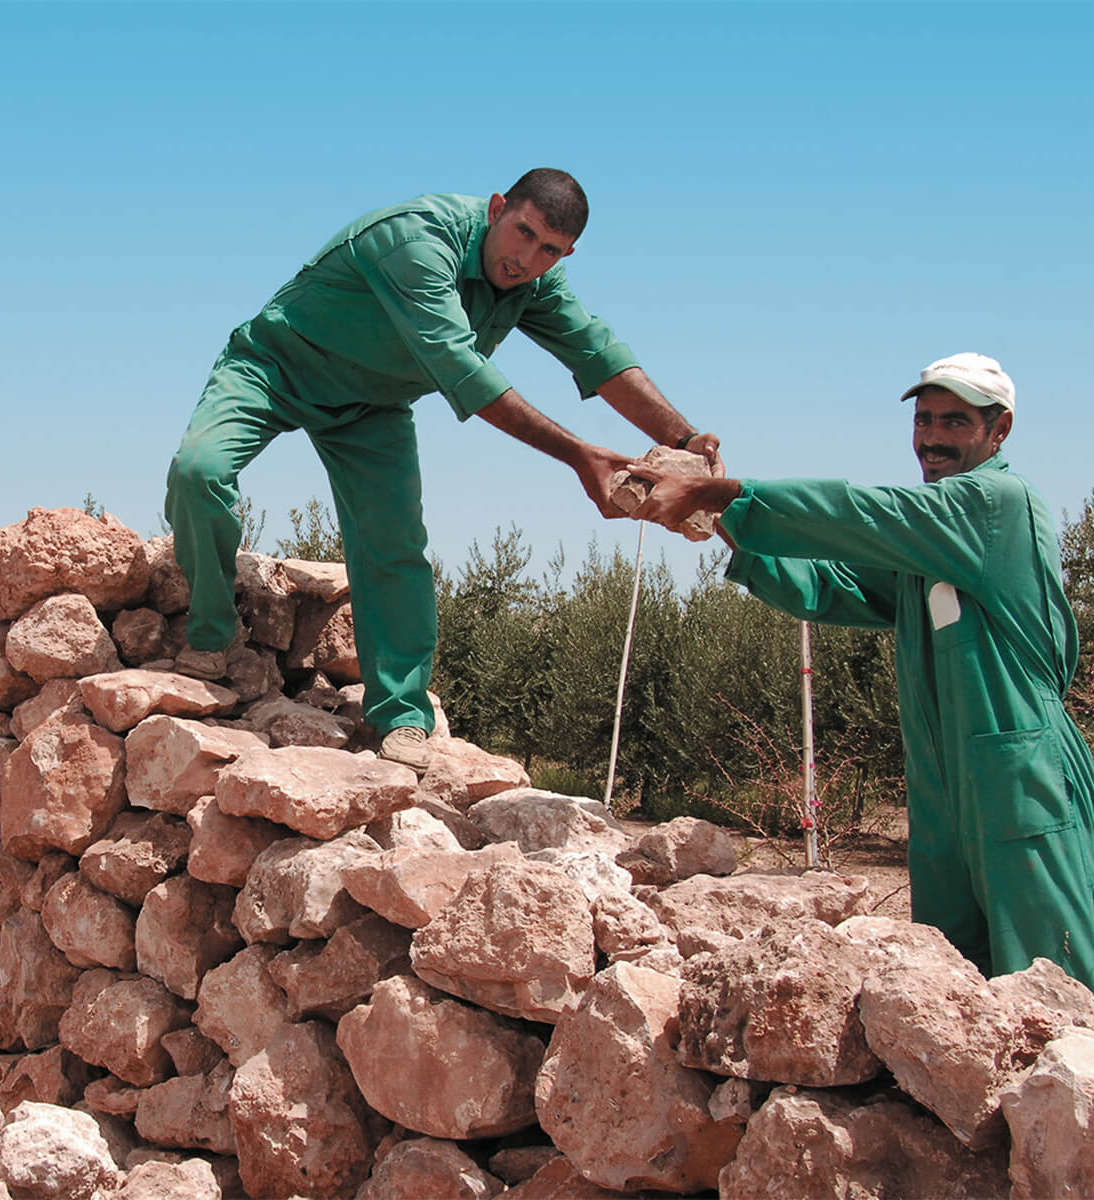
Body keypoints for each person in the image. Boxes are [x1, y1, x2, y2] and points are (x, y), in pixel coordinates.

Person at [164, 168, 721, 773]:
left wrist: (683, 437)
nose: (527, 259)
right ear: (498, 207)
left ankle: (401, 715)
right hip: (275, 366)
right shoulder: (414, 241)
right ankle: (213, 635)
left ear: (568, 253)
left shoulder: (536, 282)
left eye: (550, 250)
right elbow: (465, 374)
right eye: (523, 233)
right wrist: (581, 456)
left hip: (369, 408)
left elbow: (598, 352)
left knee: (393, 547)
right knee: (199, 471)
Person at [627, 352, 1094, 1014]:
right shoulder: (929, 545)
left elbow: (864, 513)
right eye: (923, 420)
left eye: (955, 421)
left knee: (1057, 991)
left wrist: (731, 497)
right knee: (957, 993)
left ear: (998, 432)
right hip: (945, 792)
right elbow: (833, 586)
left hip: (1021, 781)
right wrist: (733, 535)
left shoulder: (995, 502)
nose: (932, 436)